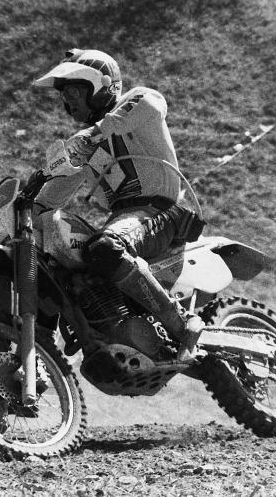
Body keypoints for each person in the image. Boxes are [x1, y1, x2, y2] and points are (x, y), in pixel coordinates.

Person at [32, 48, 204, 360]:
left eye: (72, 90)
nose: (67, 102)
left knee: (105, 247)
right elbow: (54, 194)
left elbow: (149, 104)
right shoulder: (88, 147)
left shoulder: (139, 103)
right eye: (63, 95)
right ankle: (41, 359)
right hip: (127, 218)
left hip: (160, 211)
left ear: (101, 86)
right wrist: (27, 207)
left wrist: (93, 133)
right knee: (52, 263)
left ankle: (181, 322)